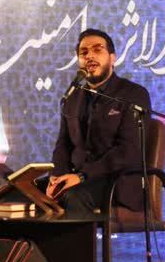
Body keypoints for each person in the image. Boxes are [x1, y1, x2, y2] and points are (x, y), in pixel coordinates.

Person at [46, 29, 151, 214]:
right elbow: (63, 144)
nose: (90, 56)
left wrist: (82, 176)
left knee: (73, 197)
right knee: (23, 193)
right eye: (84, 52)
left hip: (117, 183)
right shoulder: (72, 97)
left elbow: (128, 151)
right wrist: (57, 176)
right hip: (77, 179)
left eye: (97, 50)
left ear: (112, 58)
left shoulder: (133, 94)